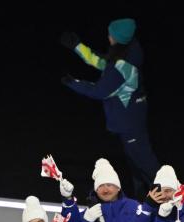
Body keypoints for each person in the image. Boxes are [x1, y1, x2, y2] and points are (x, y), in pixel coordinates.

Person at [60, 18, 160, 200]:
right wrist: (77, 47)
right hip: (132, 117)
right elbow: (101, 62)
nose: (108, 37)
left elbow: (100, 90)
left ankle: (171, 200)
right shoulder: (126, 51)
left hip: (130, 122)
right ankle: (143, 200)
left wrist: (73, 82)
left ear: (118, 38)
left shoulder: (122, 66)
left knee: (145, 163)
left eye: (110, 34)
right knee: (136, 163)